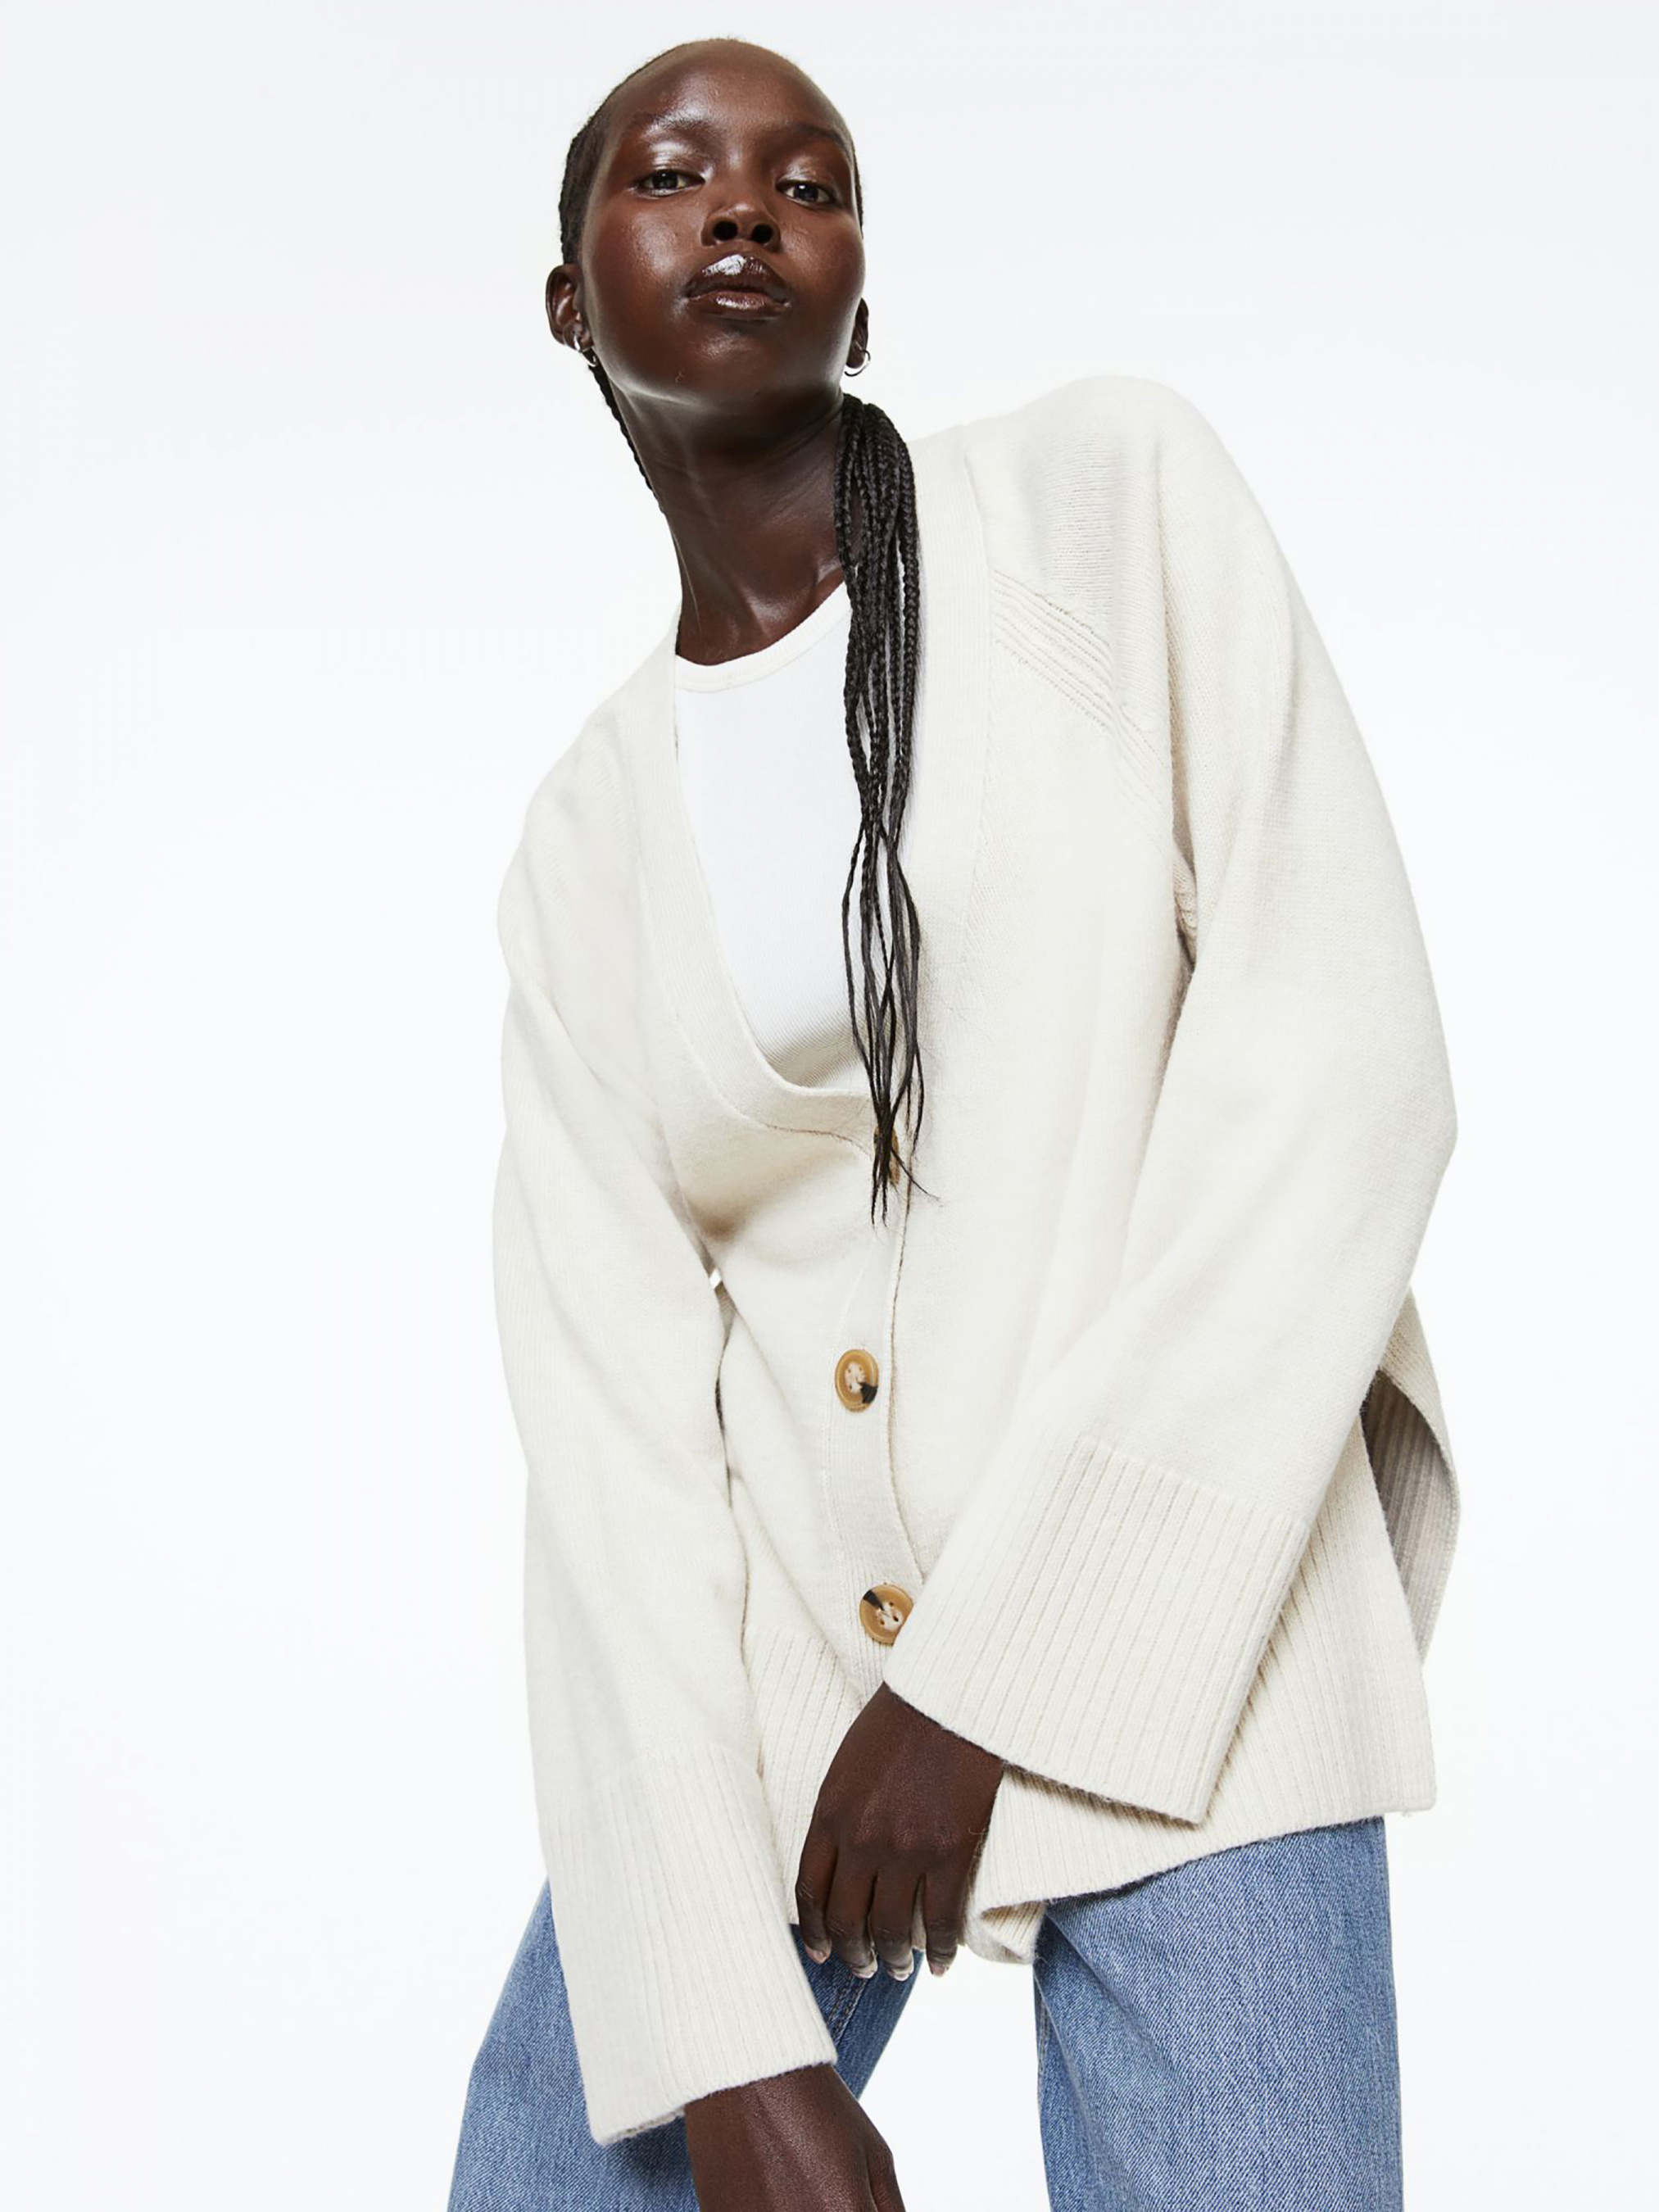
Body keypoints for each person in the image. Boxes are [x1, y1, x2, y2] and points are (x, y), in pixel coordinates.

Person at [446, 34, 1462, 2212]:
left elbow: (1342, 1059)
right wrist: (729, 2034)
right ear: (565, 294)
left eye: (809, 182)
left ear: (862, 290)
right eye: (673, 173)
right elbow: (613, 1448)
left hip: (1198, 1609)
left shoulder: (1111, 506)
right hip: (793, 1694)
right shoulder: (585, 844)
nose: (746, 206)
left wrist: (997, 1676)